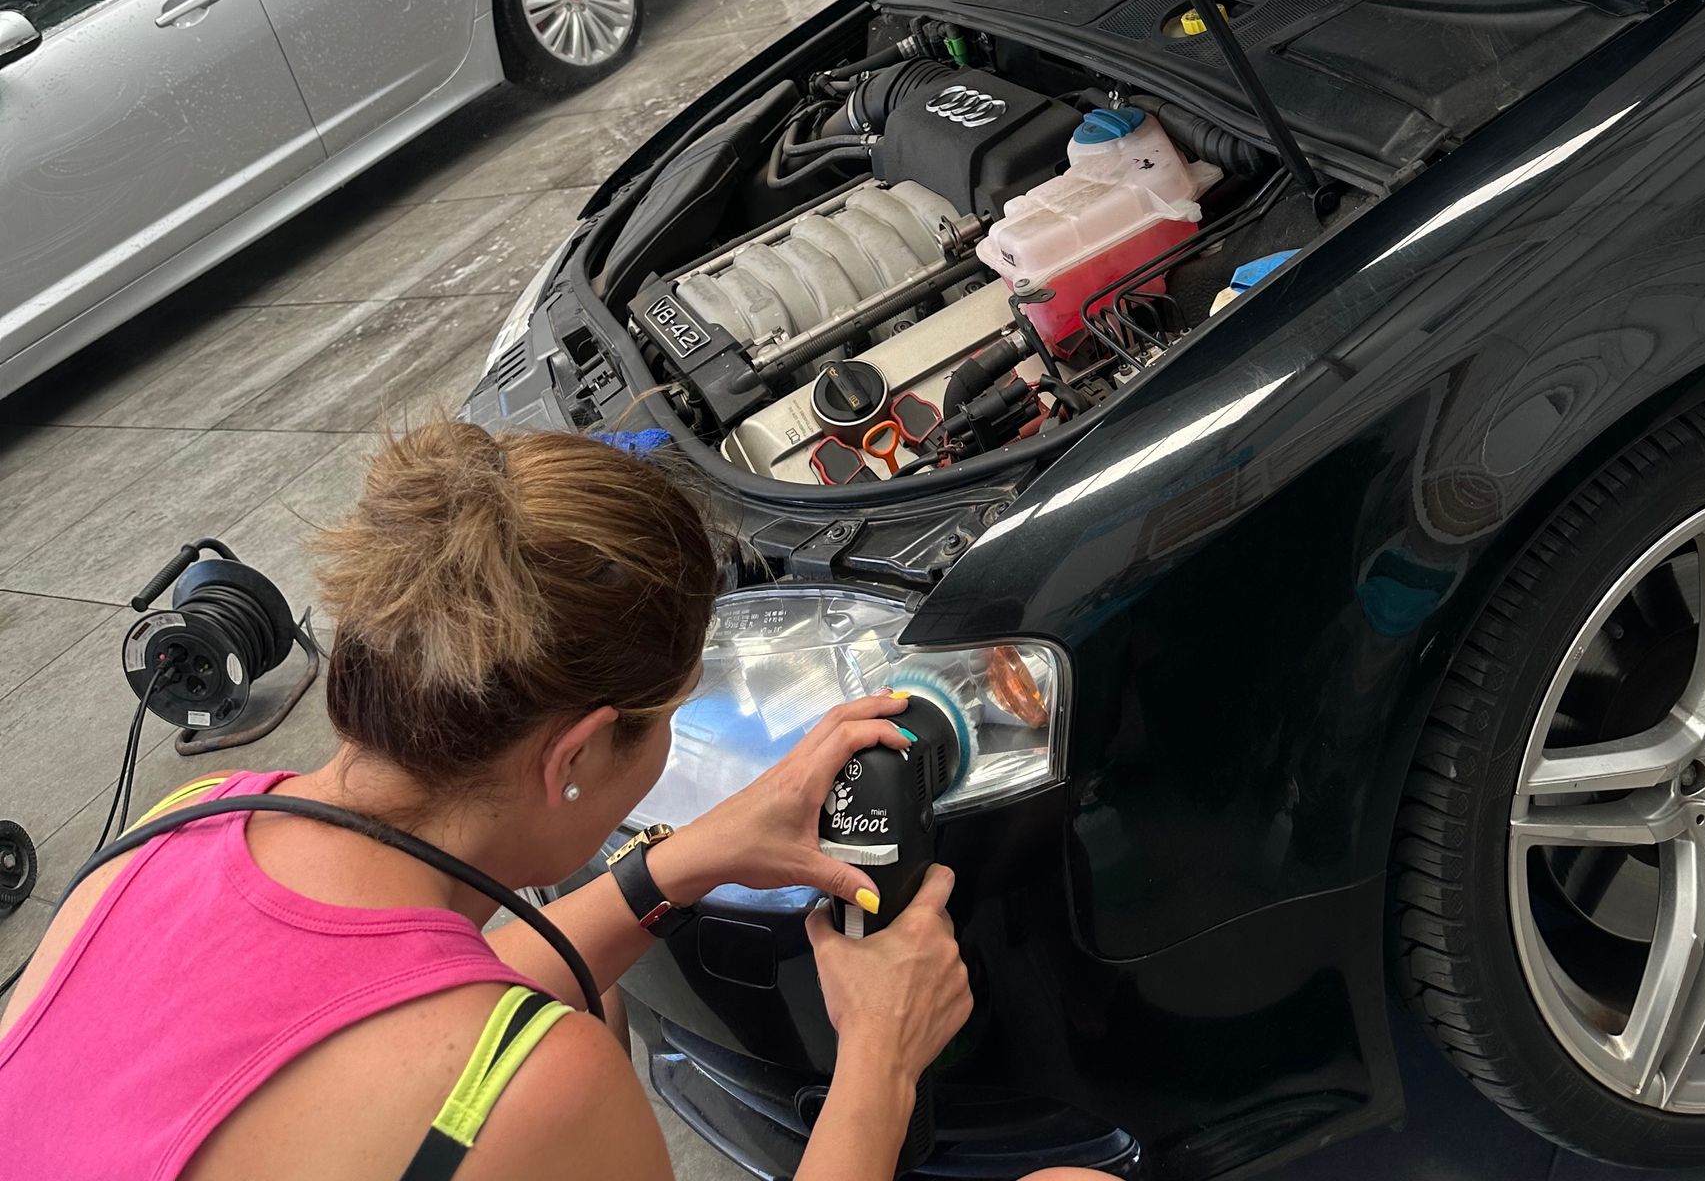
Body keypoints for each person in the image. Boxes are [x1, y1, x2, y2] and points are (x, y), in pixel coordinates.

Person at [0, 420, 1011, 1181]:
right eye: (665, 718)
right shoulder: (531, 1088)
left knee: (584, 995)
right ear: (572, 753)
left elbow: (390, 1014)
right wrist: (881, 1054)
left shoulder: (196, 816)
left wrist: (687, 859)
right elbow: (479, 1067)